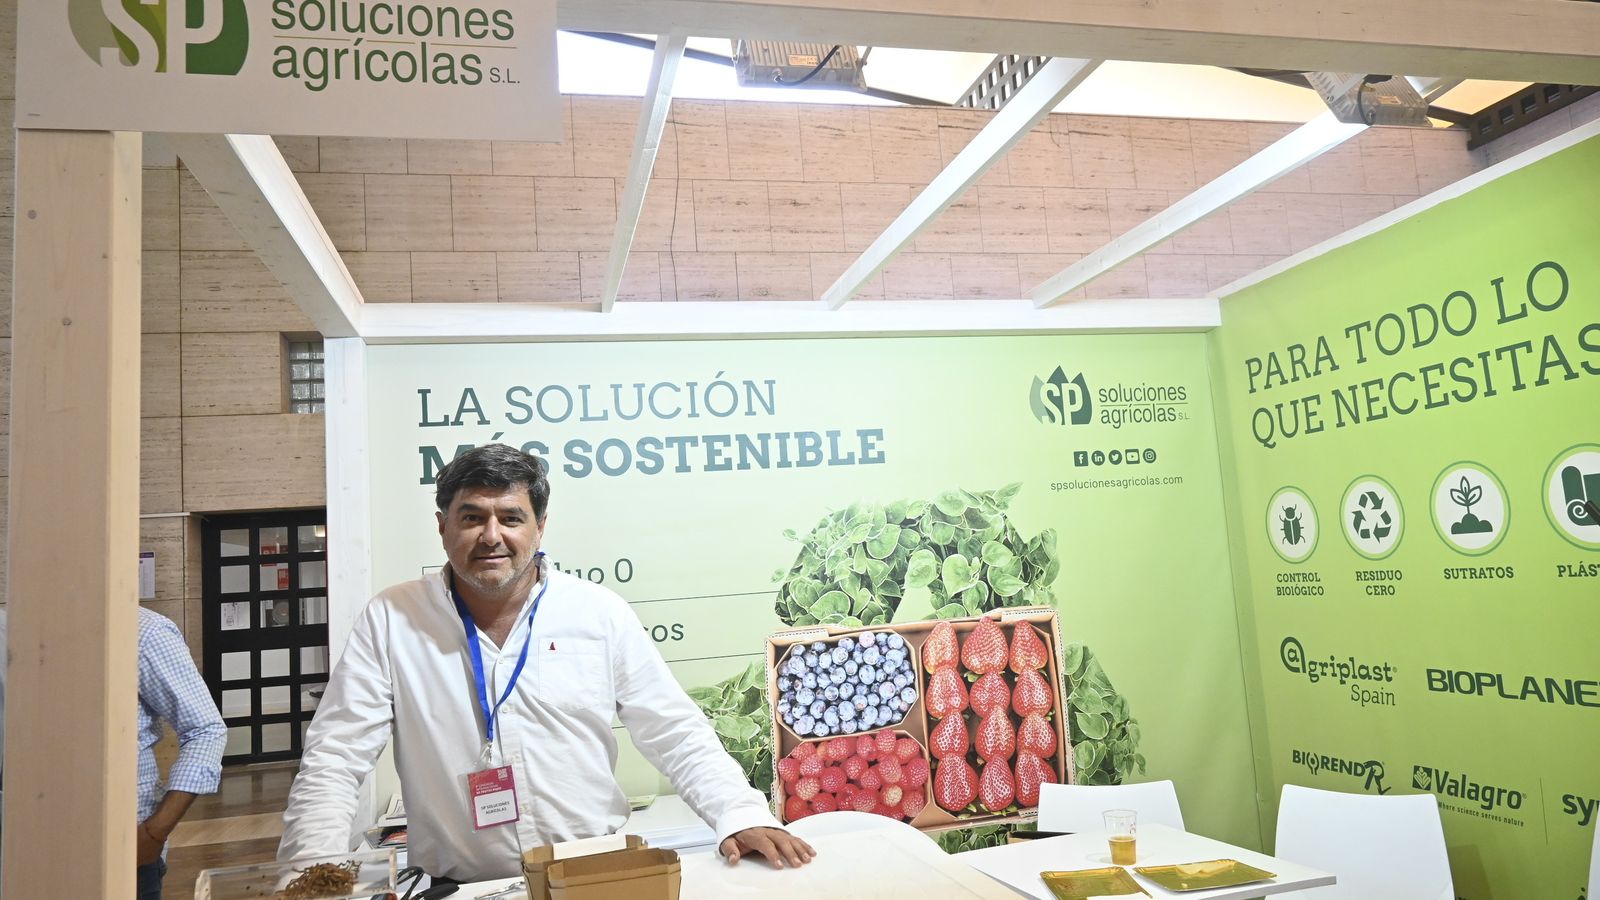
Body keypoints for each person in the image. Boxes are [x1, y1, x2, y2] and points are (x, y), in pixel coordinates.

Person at [279, 444, 814, 883]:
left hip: (598, 875)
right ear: (443, 526)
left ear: (540, 527)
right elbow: (335, 756)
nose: (492, 536)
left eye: (510, 517)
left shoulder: (596, 612)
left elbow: (673, 729)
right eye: (472, 518)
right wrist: (308, 870)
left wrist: (738, 813)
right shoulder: (392, 619)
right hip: (462, 887)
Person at [136, 606, 229, 899]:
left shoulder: (144, 632)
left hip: (130, 850)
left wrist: (155, 832)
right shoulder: (16, 626)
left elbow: (206, 729)